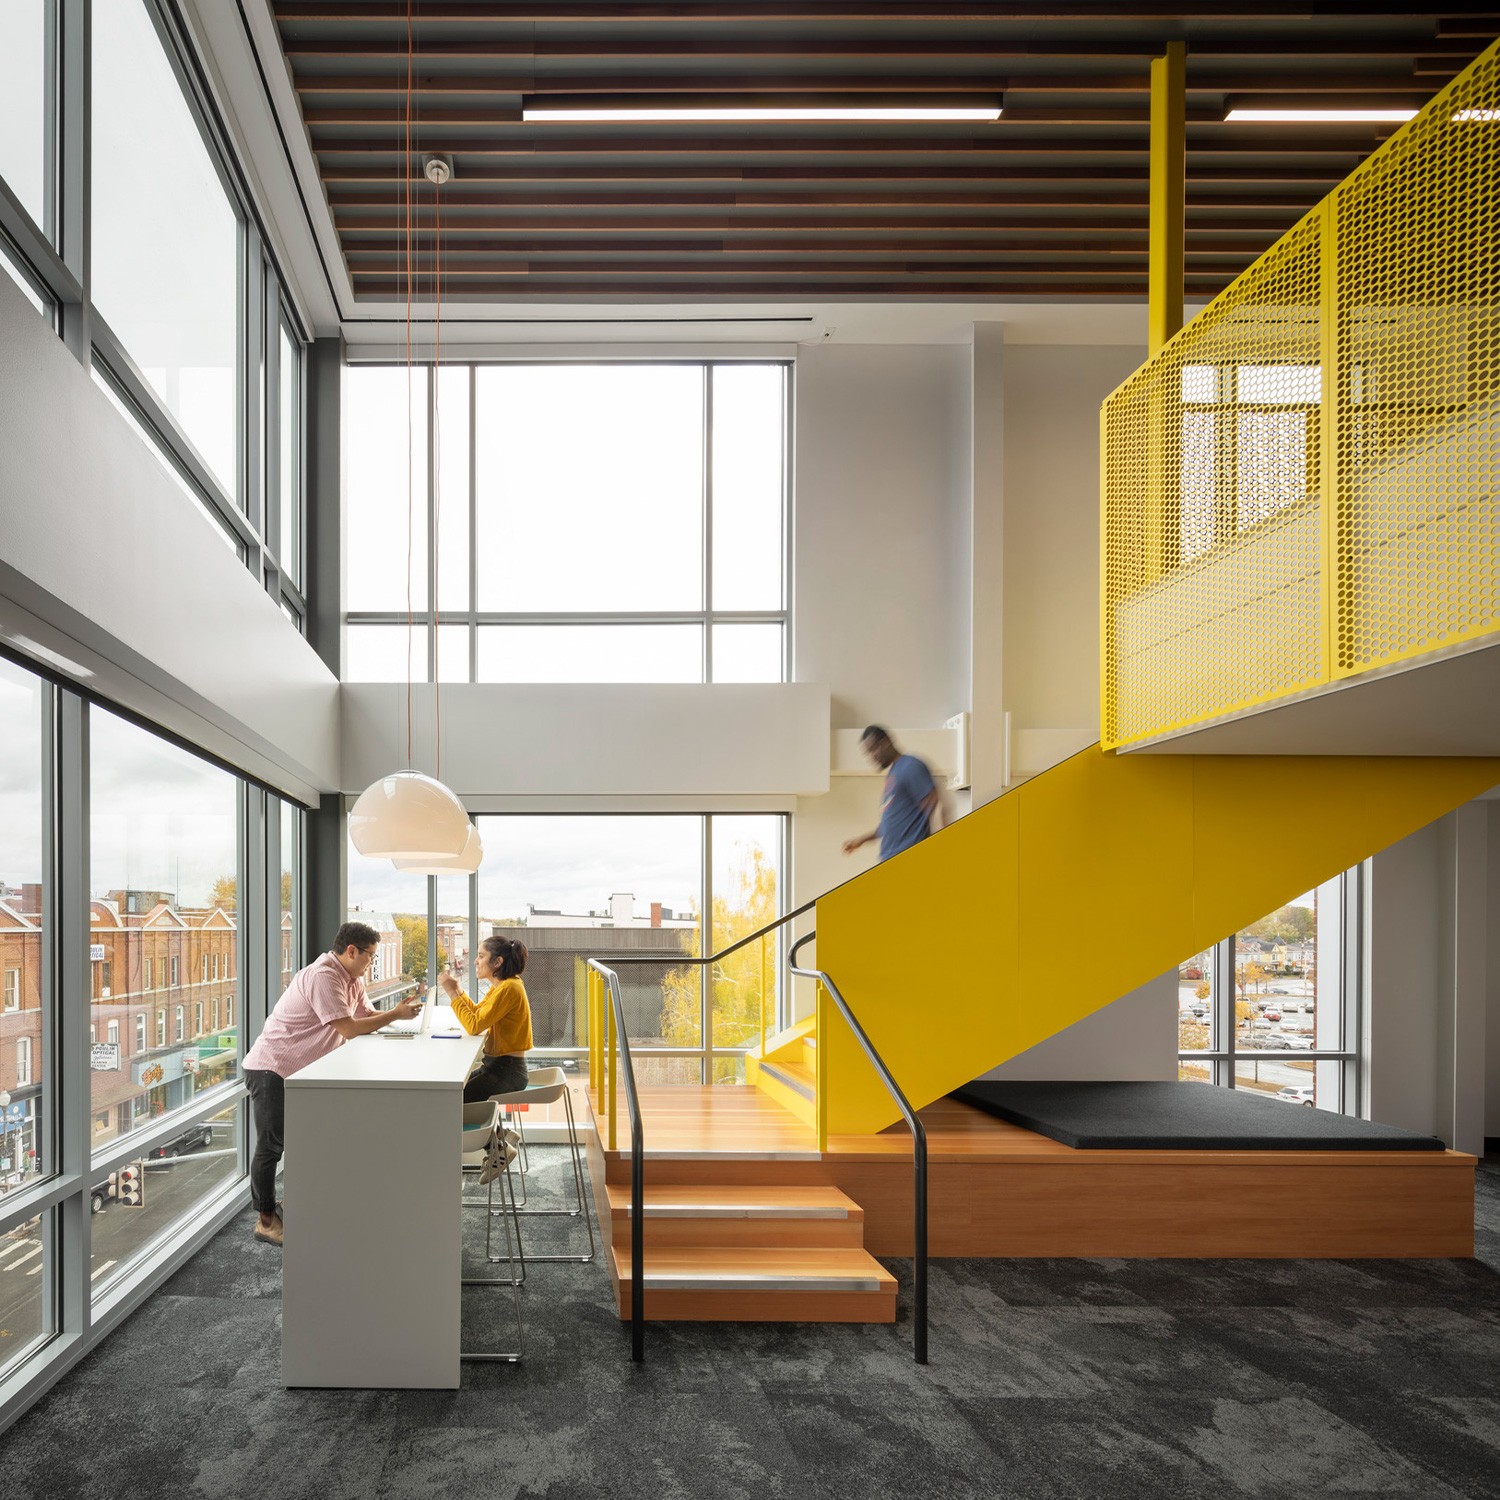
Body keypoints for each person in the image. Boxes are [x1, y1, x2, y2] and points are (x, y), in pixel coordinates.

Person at [242, 921, 423, 1247]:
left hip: (300, 1074)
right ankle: (265, 1221)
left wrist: (399, 1015)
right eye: (369, 956)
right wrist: (395, 1016)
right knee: (271, 1147)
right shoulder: (323, 976)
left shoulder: (351, 979)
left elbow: (365, 1014)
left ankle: (293, 1204)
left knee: (310, 1139)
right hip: (272, 1069)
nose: (371, 963)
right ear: (351, 950)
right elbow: (350, 1028)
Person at [441, 934, 535, 1104]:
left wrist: (452, 993)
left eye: (481, 956)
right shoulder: (503, 985)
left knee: (451, 1102)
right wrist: (458, 990)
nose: (476, 961)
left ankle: (493, 1131)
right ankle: (495, 1131)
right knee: (450, 1093)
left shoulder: (509, 988)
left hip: (507, 1071)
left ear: (497, 962)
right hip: (496, 1067)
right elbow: (478, 1013)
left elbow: (474, 1025)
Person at [842, 724, 944, 861]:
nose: (873, 756)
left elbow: (936, 804)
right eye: (869, 753)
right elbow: (889, 824)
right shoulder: (893, 774)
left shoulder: (910, 766)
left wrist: (945, 846)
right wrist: (862, 840)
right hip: (891, 861)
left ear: (887, 742)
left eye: (874, 749)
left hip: (910, 859)